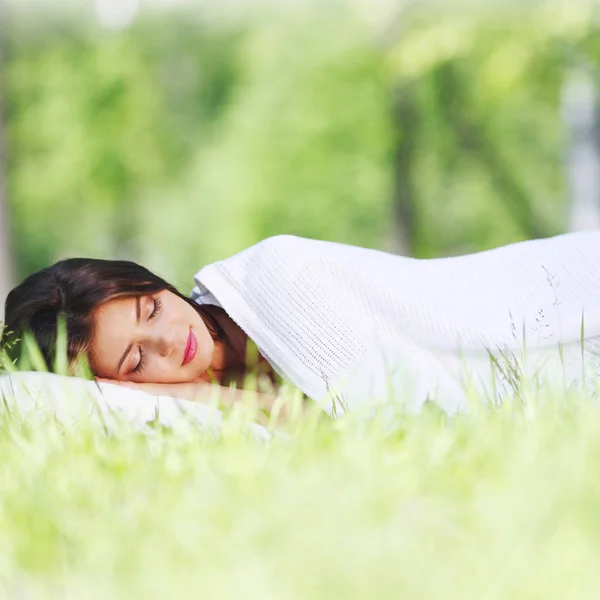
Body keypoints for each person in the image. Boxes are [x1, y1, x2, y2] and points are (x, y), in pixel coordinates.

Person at [2, 232, 600, 417]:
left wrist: (197, 392)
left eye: (151, 307)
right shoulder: (203, 405)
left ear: (154, 282)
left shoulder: (278, 278)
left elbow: (406, 413)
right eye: (137, 360)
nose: (169, 339)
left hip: (560, 312)